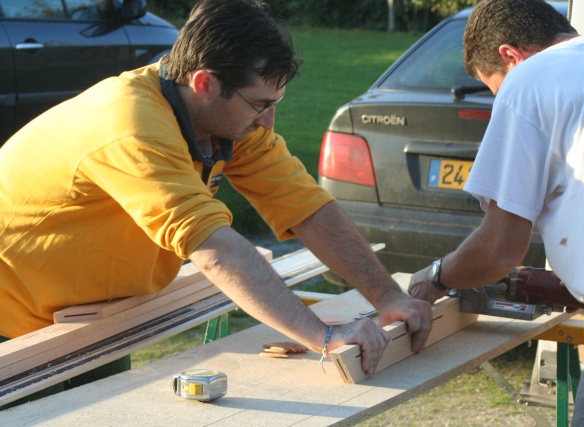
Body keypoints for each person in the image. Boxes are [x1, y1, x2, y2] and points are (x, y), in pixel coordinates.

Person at [0, 0, 432, 402]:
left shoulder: (229, 124)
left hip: (89, 320)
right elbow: (213, 251)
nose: (268, 120)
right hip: (11, 327)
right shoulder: (131, 127)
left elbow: (307, 207)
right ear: (204, 83)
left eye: (277, 102)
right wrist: (321, 337)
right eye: (260, 103)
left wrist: (387, 297)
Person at [408, 0, 584, 425]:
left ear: (509, 57)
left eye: (495, 88)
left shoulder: (532, 76)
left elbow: (499, 252)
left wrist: (436, 277)